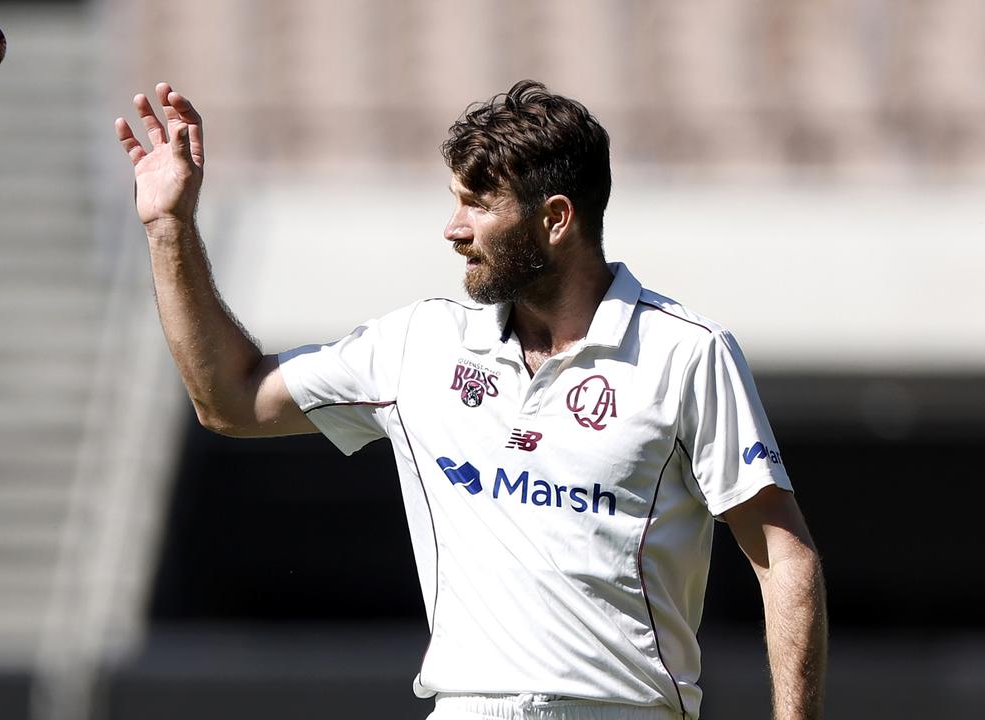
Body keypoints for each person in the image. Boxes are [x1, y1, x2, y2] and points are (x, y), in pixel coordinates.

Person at [115, 80, 827, 720]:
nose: (453, 230)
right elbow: (231, 401)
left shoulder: (687, 353)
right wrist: (168, 228)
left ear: (554, 219)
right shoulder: (417, 343)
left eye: (478, 205)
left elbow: (783, 554)